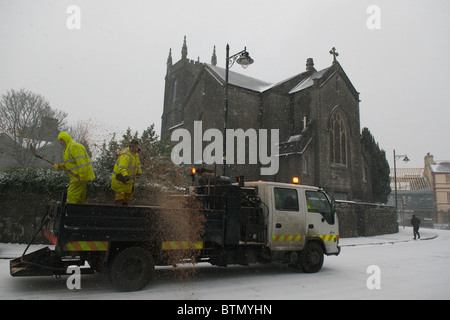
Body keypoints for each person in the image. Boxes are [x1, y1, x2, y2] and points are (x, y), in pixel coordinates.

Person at [54, 132, 95, 204]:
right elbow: (69, 164)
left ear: (65, 139)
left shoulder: (74, 146)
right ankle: (78, 212)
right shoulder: (67, 149)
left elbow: (82, 163)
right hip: (76, 177)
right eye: (59, 141)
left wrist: (82, 176)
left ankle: (70, 211)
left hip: (79, 177)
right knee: (79, 196)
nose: (60, 143)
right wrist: (60, 166)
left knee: (72, 195)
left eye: (61, 140)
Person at [111, 139, 143, 206]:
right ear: (132, 147)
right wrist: (125, 176)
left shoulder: (135, 155)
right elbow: (122, 168)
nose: (136, 150)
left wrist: (139, 172)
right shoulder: (126, 156)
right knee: (120, 199)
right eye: (135, 148)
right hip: (120, 182)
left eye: (137, 148)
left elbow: (138, 165)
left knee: (126, 201)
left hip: (128, 183)